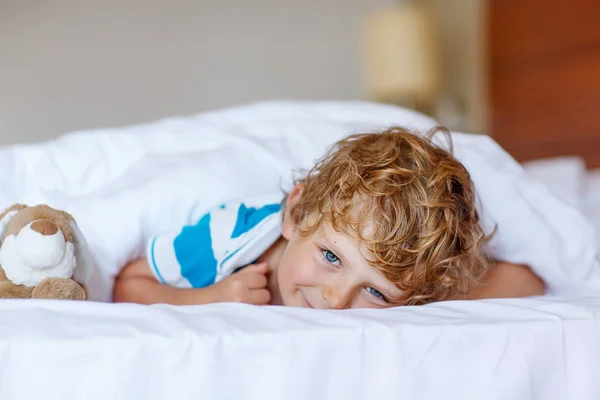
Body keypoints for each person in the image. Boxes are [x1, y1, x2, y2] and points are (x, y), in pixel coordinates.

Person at [113, 127, 545, 309]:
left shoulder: (412, 286)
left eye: (374, 292)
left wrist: (435, 295)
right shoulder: (231, 237)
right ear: (297, 215)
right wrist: (213, 299)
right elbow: (129, 284)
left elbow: (528, 281)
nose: (336, 300)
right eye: (331, 258)